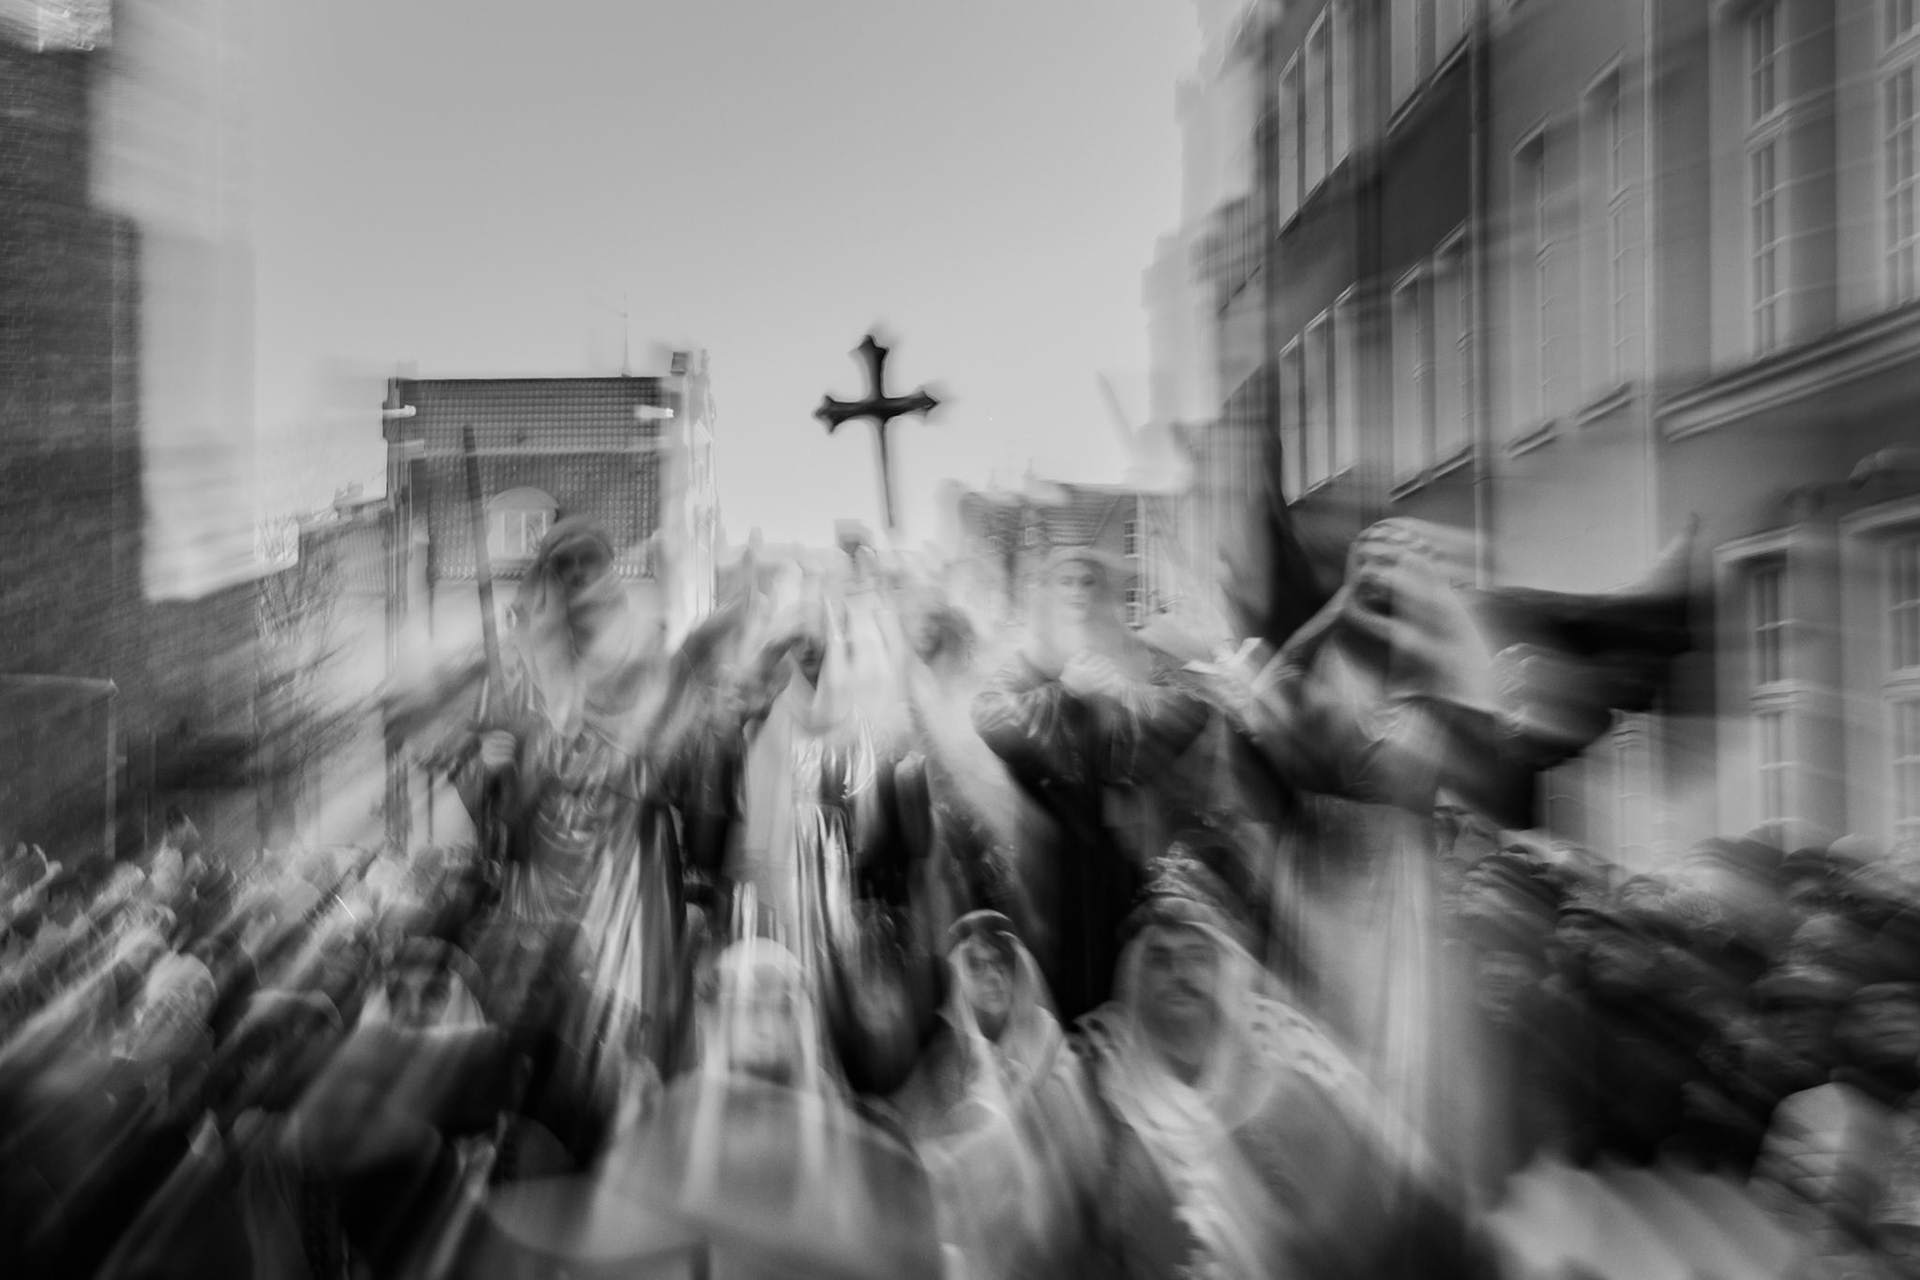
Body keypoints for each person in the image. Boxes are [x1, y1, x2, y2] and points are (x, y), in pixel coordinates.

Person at [1073, 850, 1445, 1280]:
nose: (1178, 973)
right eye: (1159, 958)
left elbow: (1364, 1234)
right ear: (1136, 973)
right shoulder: (1104, 1099)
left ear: (1224, 969)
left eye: (1196, 955)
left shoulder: (1289, 1089)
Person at [450, 518, 692, 1159]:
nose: (578, 577)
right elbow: (491, 816)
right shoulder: (519, 675)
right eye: (565, 567)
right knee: (542, 1039)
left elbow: (673, 769)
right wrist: (493, 770)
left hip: (625, 874)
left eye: (589, 562)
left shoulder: (648, 662)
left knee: (622, 1037)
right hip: (544, 890)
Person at [972, 548, 1207, 1023]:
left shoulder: (1128, 656)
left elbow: (1188, 710)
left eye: (1087, 582)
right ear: (1046, 594)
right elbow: (990, 717)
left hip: (1116, 853)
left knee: (1118, 968)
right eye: (1066, 582)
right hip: (1048, 852)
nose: (1078, 593)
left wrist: (1122, 692)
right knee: (1052, 973)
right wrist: (1064, 694)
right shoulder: (1025, 663)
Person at [888, 910, 1103, 1278]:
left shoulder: (1050, 1045)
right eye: (977, 966)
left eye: (1001, 964)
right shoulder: (942, 1056)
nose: (993, 976)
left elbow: (1078, 1152)